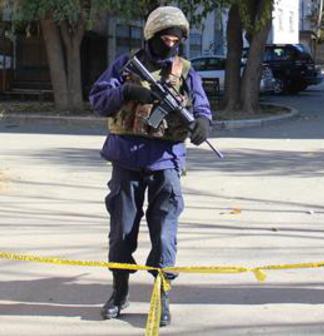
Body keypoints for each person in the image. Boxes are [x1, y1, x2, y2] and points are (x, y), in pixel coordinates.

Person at [89, 6, 212, 326]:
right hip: (126, 161)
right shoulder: (125, 65)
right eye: (166, 37)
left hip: (166, 163)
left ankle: (161, 295)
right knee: (121, 234)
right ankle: (119, 292)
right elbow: (98, 99)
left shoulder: (185, 70)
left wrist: (202, 122)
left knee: (164, 235)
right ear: (151, 36)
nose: (171, 44)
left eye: (177, 39)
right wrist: (127, 90)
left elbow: (201, 105)